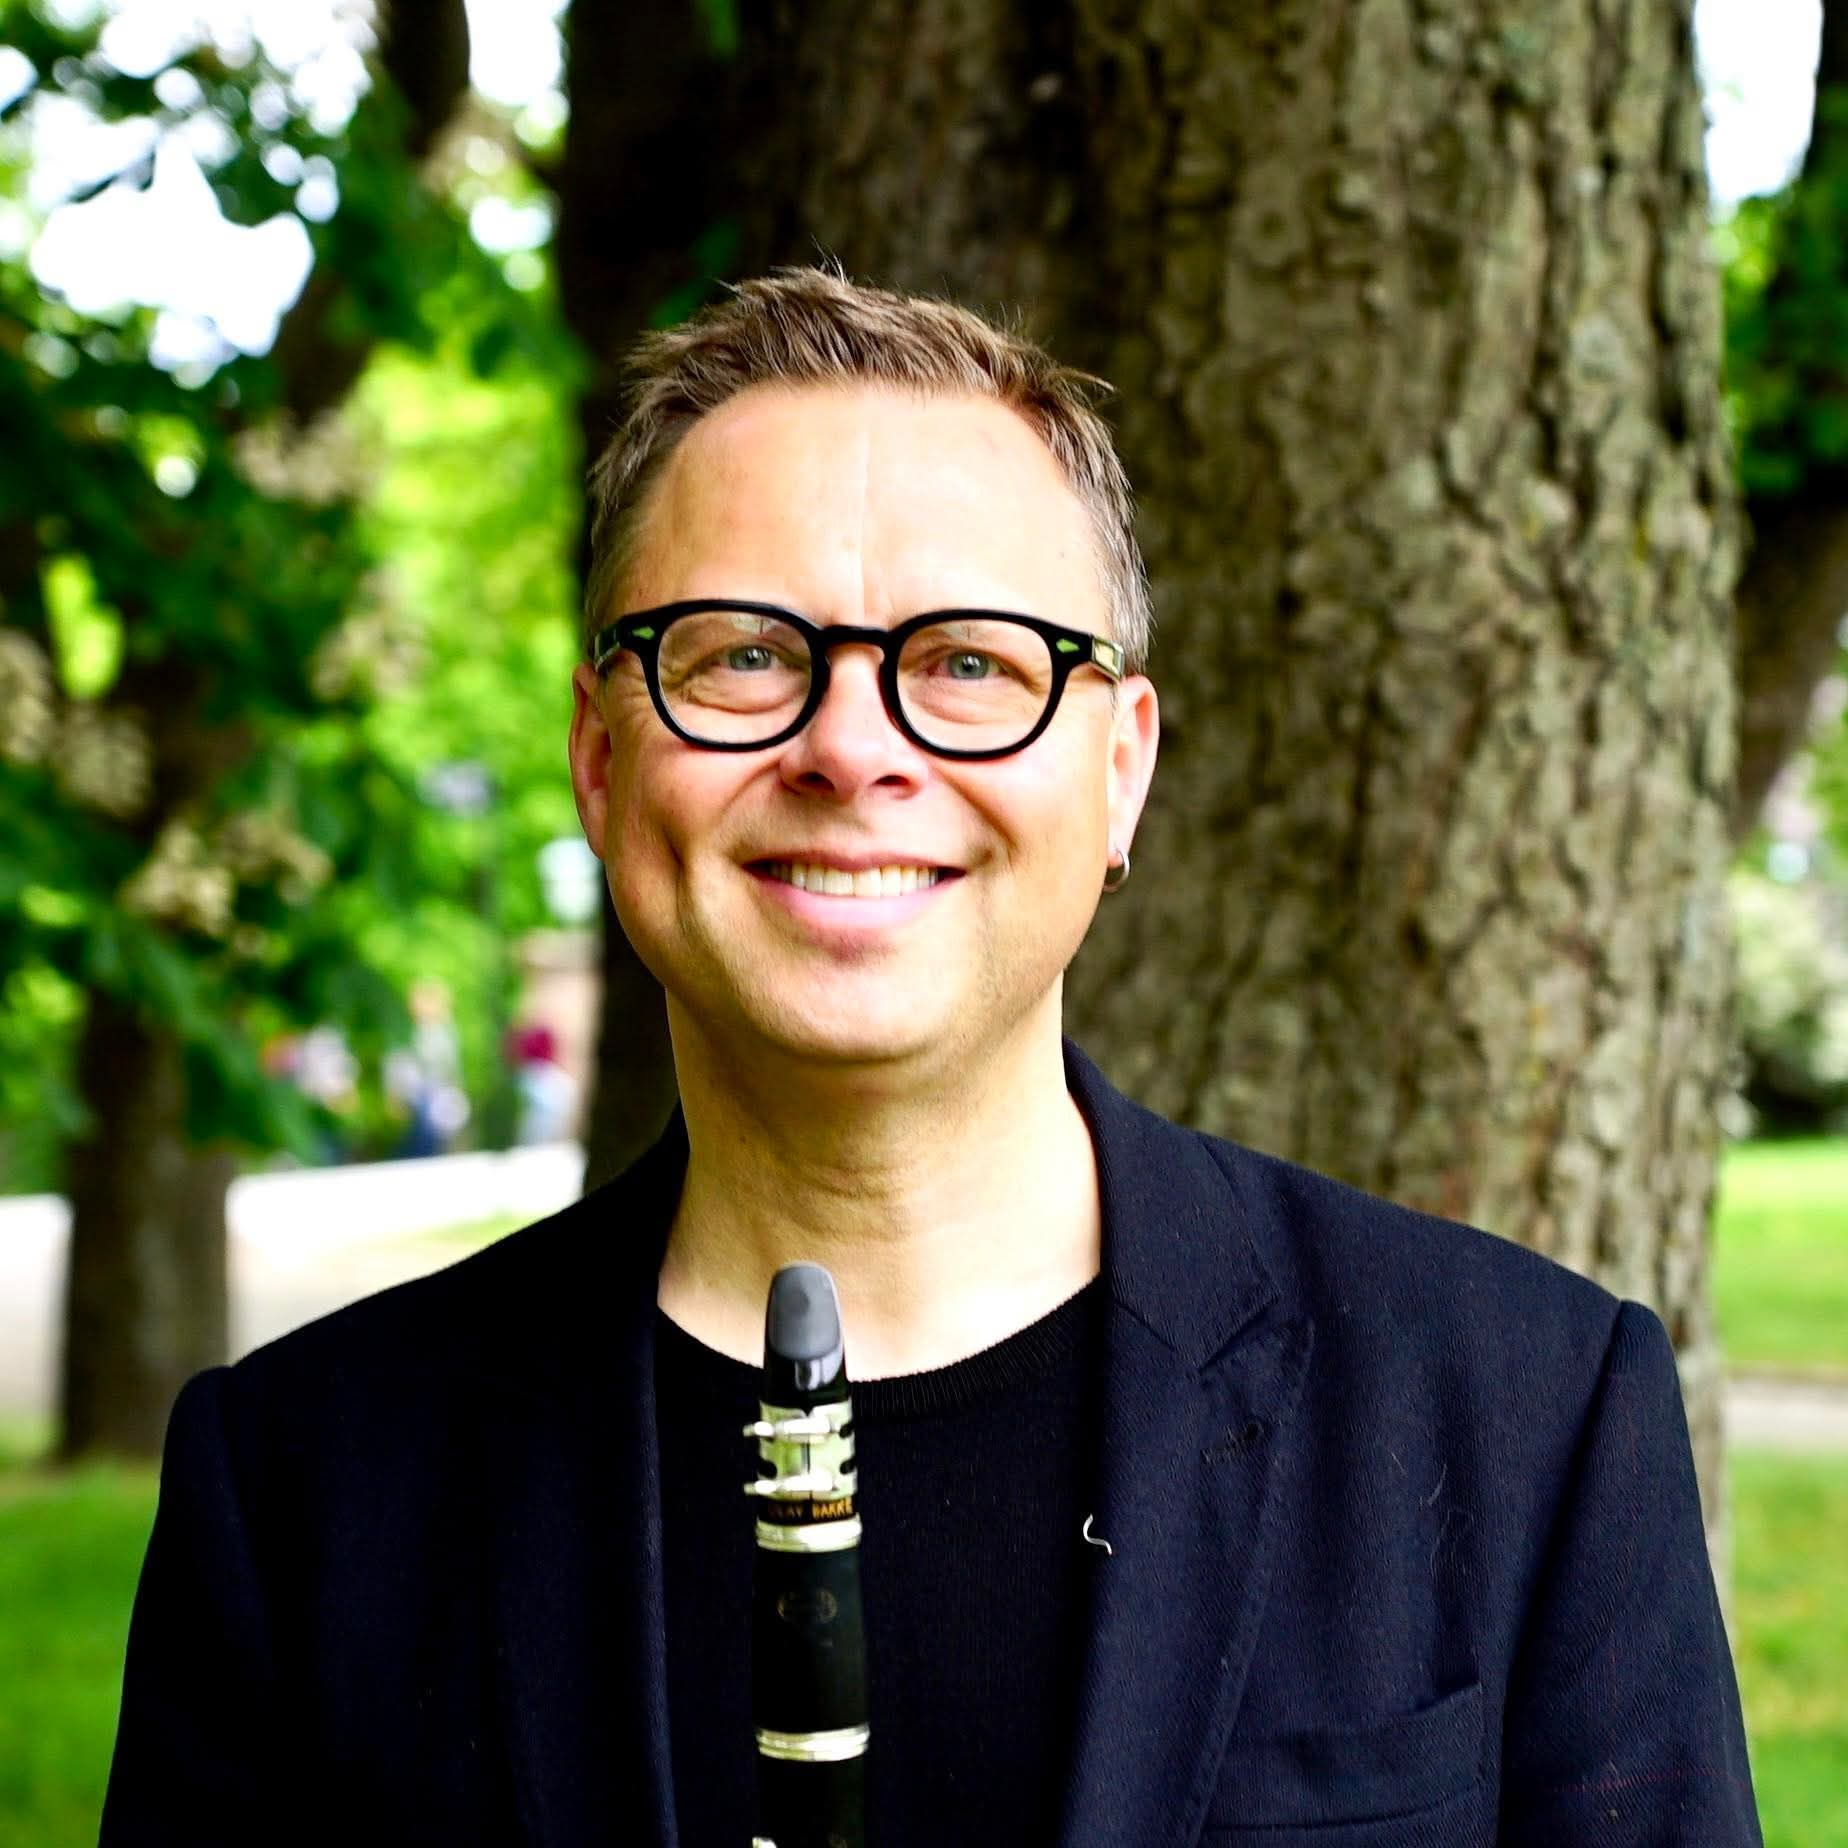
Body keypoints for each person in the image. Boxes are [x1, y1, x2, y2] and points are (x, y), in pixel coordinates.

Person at [102, 268, 1761, 1845]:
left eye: (969, 663)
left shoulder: (1527, 1417)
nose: (851, 748)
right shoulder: (304, 1487)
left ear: (1119, 773)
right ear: (602, 767)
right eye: (745, 653)